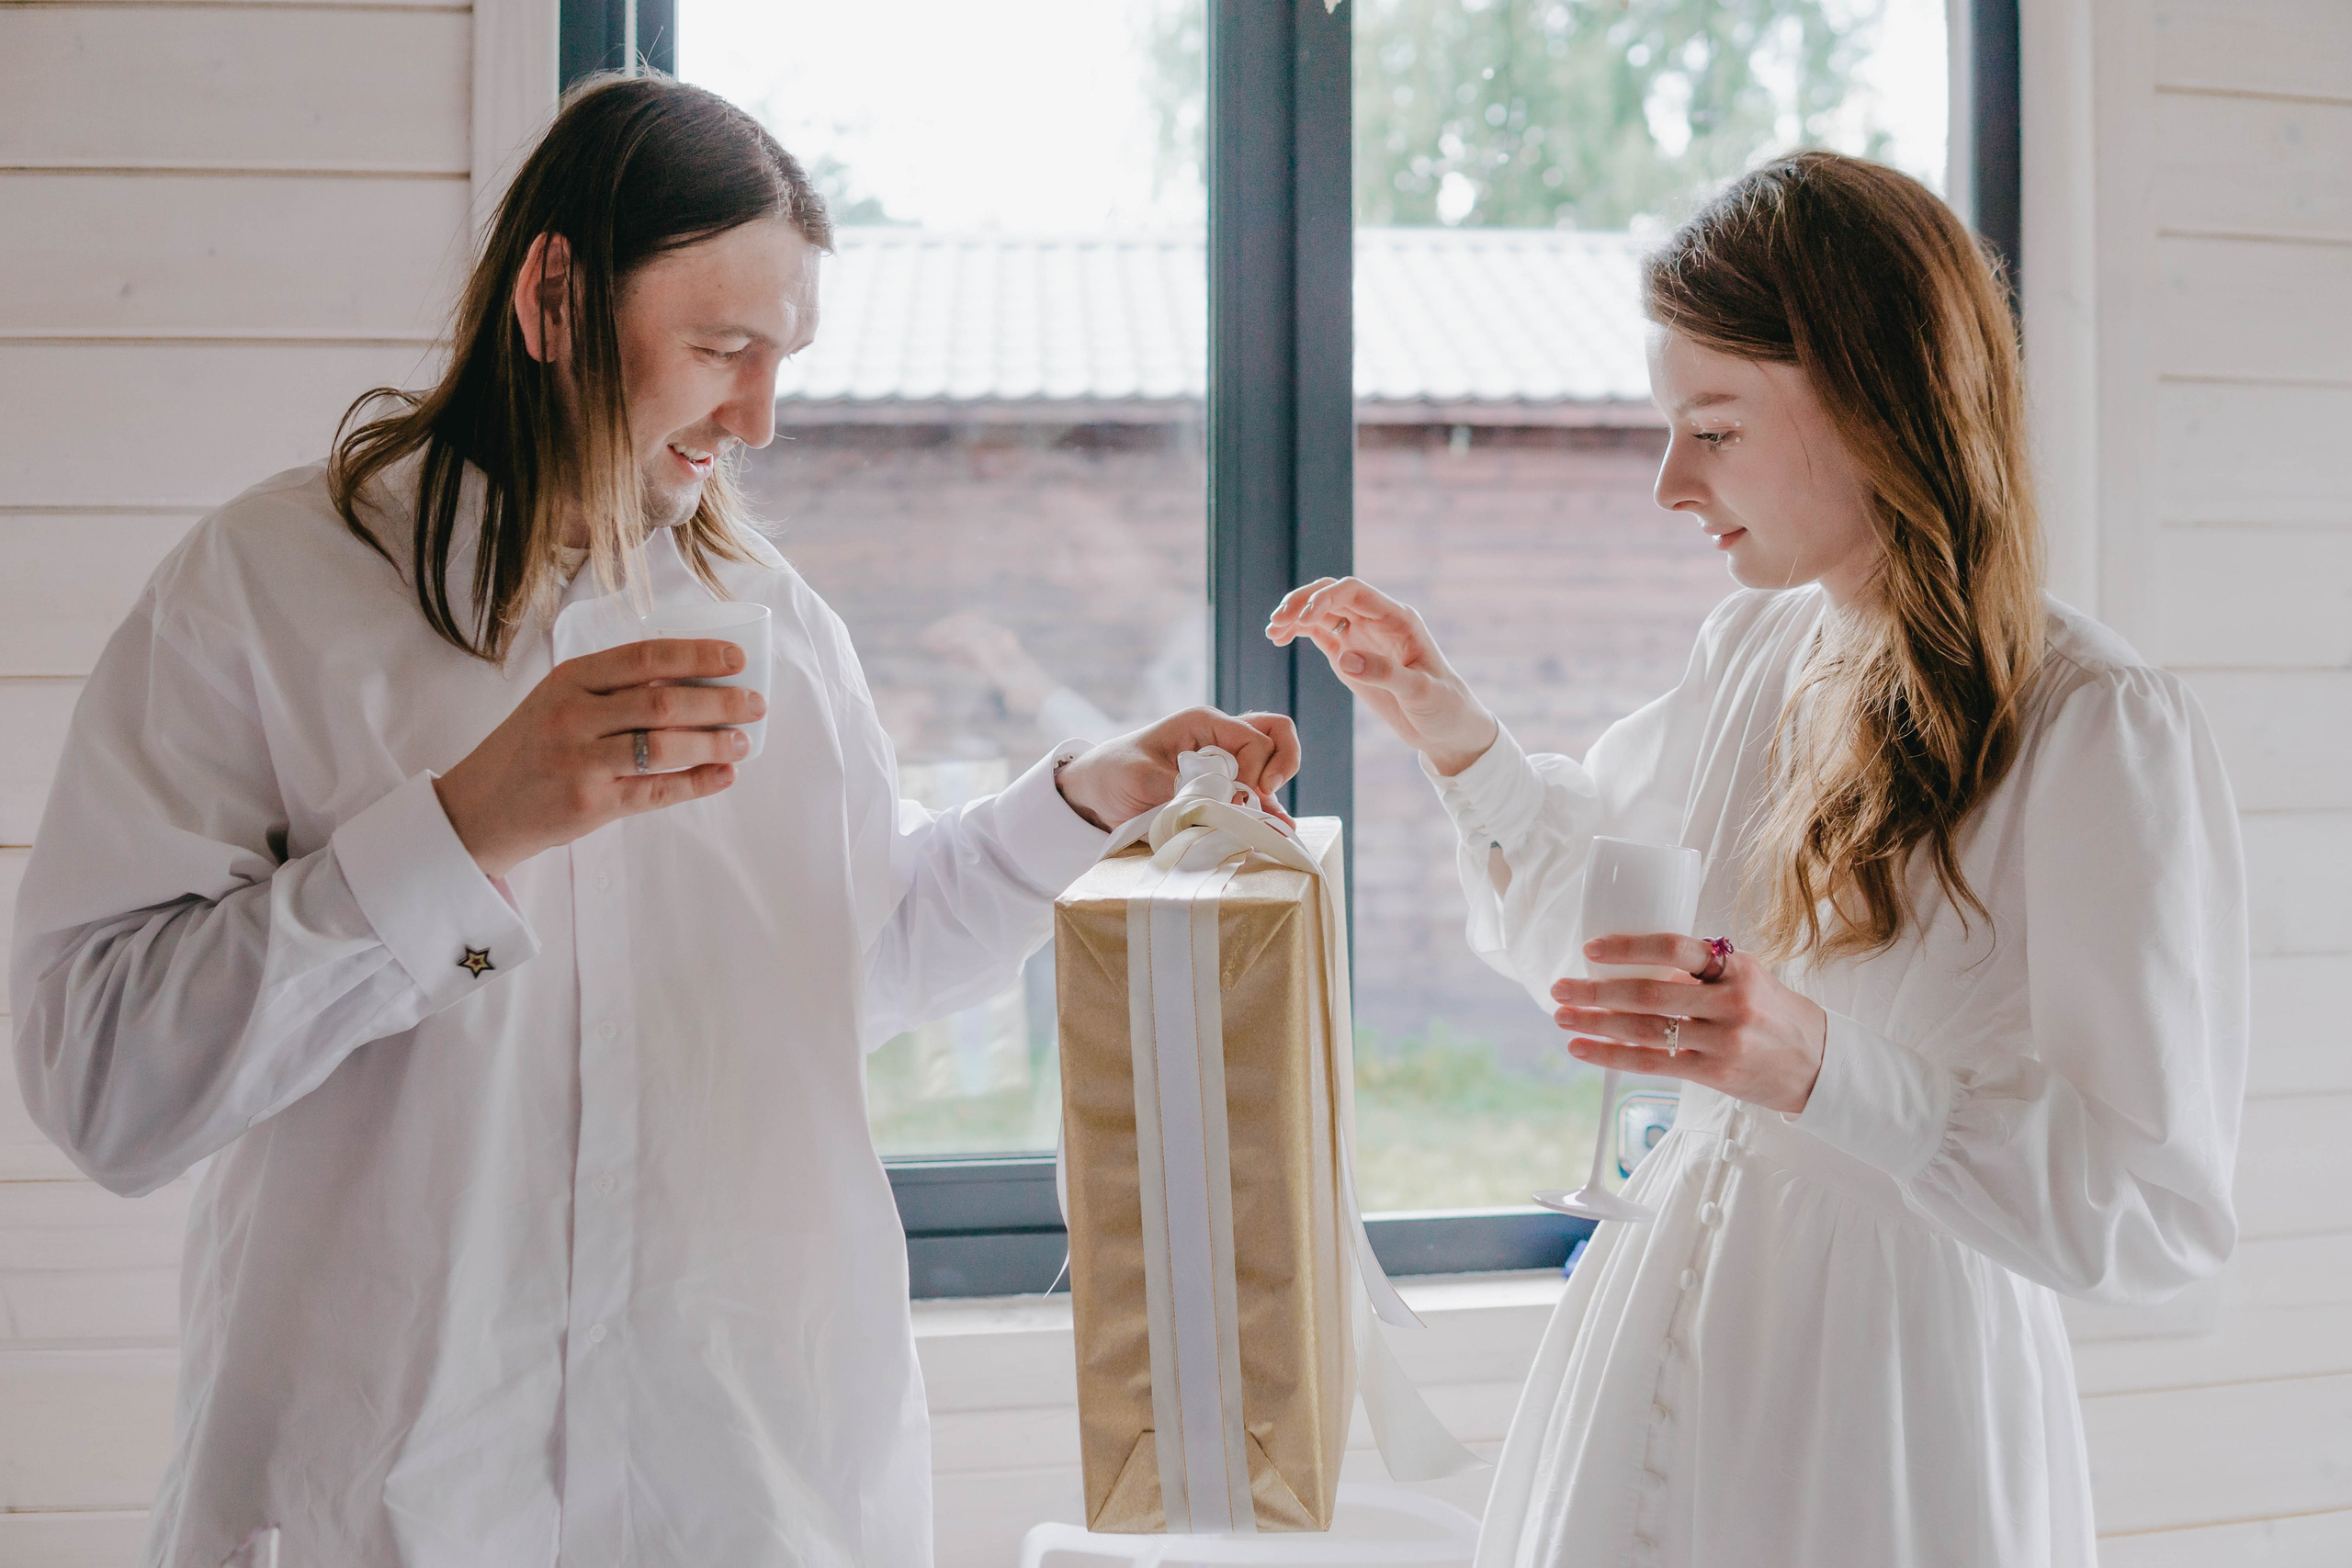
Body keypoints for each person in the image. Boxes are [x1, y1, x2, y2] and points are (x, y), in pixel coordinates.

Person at [10, 76, 1295, 1568]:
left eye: (781, 361)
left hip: (747, 1497)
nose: (759, 418)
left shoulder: (781, 630)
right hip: (396, 1508)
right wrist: (462, 834)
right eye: (721, 349)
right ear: (553, 296)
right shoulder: (261, 596)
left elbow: (849, 965)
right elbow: (106, 1086)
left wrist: (1078, 804)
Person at [1270, 152, 2245, 1567]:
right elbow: (1606, 950)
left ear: (1877, 405)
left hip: (1892, 1397)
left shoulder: (2094, 722)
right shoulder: (1753, 648)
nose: (1671, 485)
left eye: (1713, 431)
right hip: (1666, 1318)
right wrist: (1451, 729)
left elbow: (2156, 1223)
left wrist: (1824, 1070)